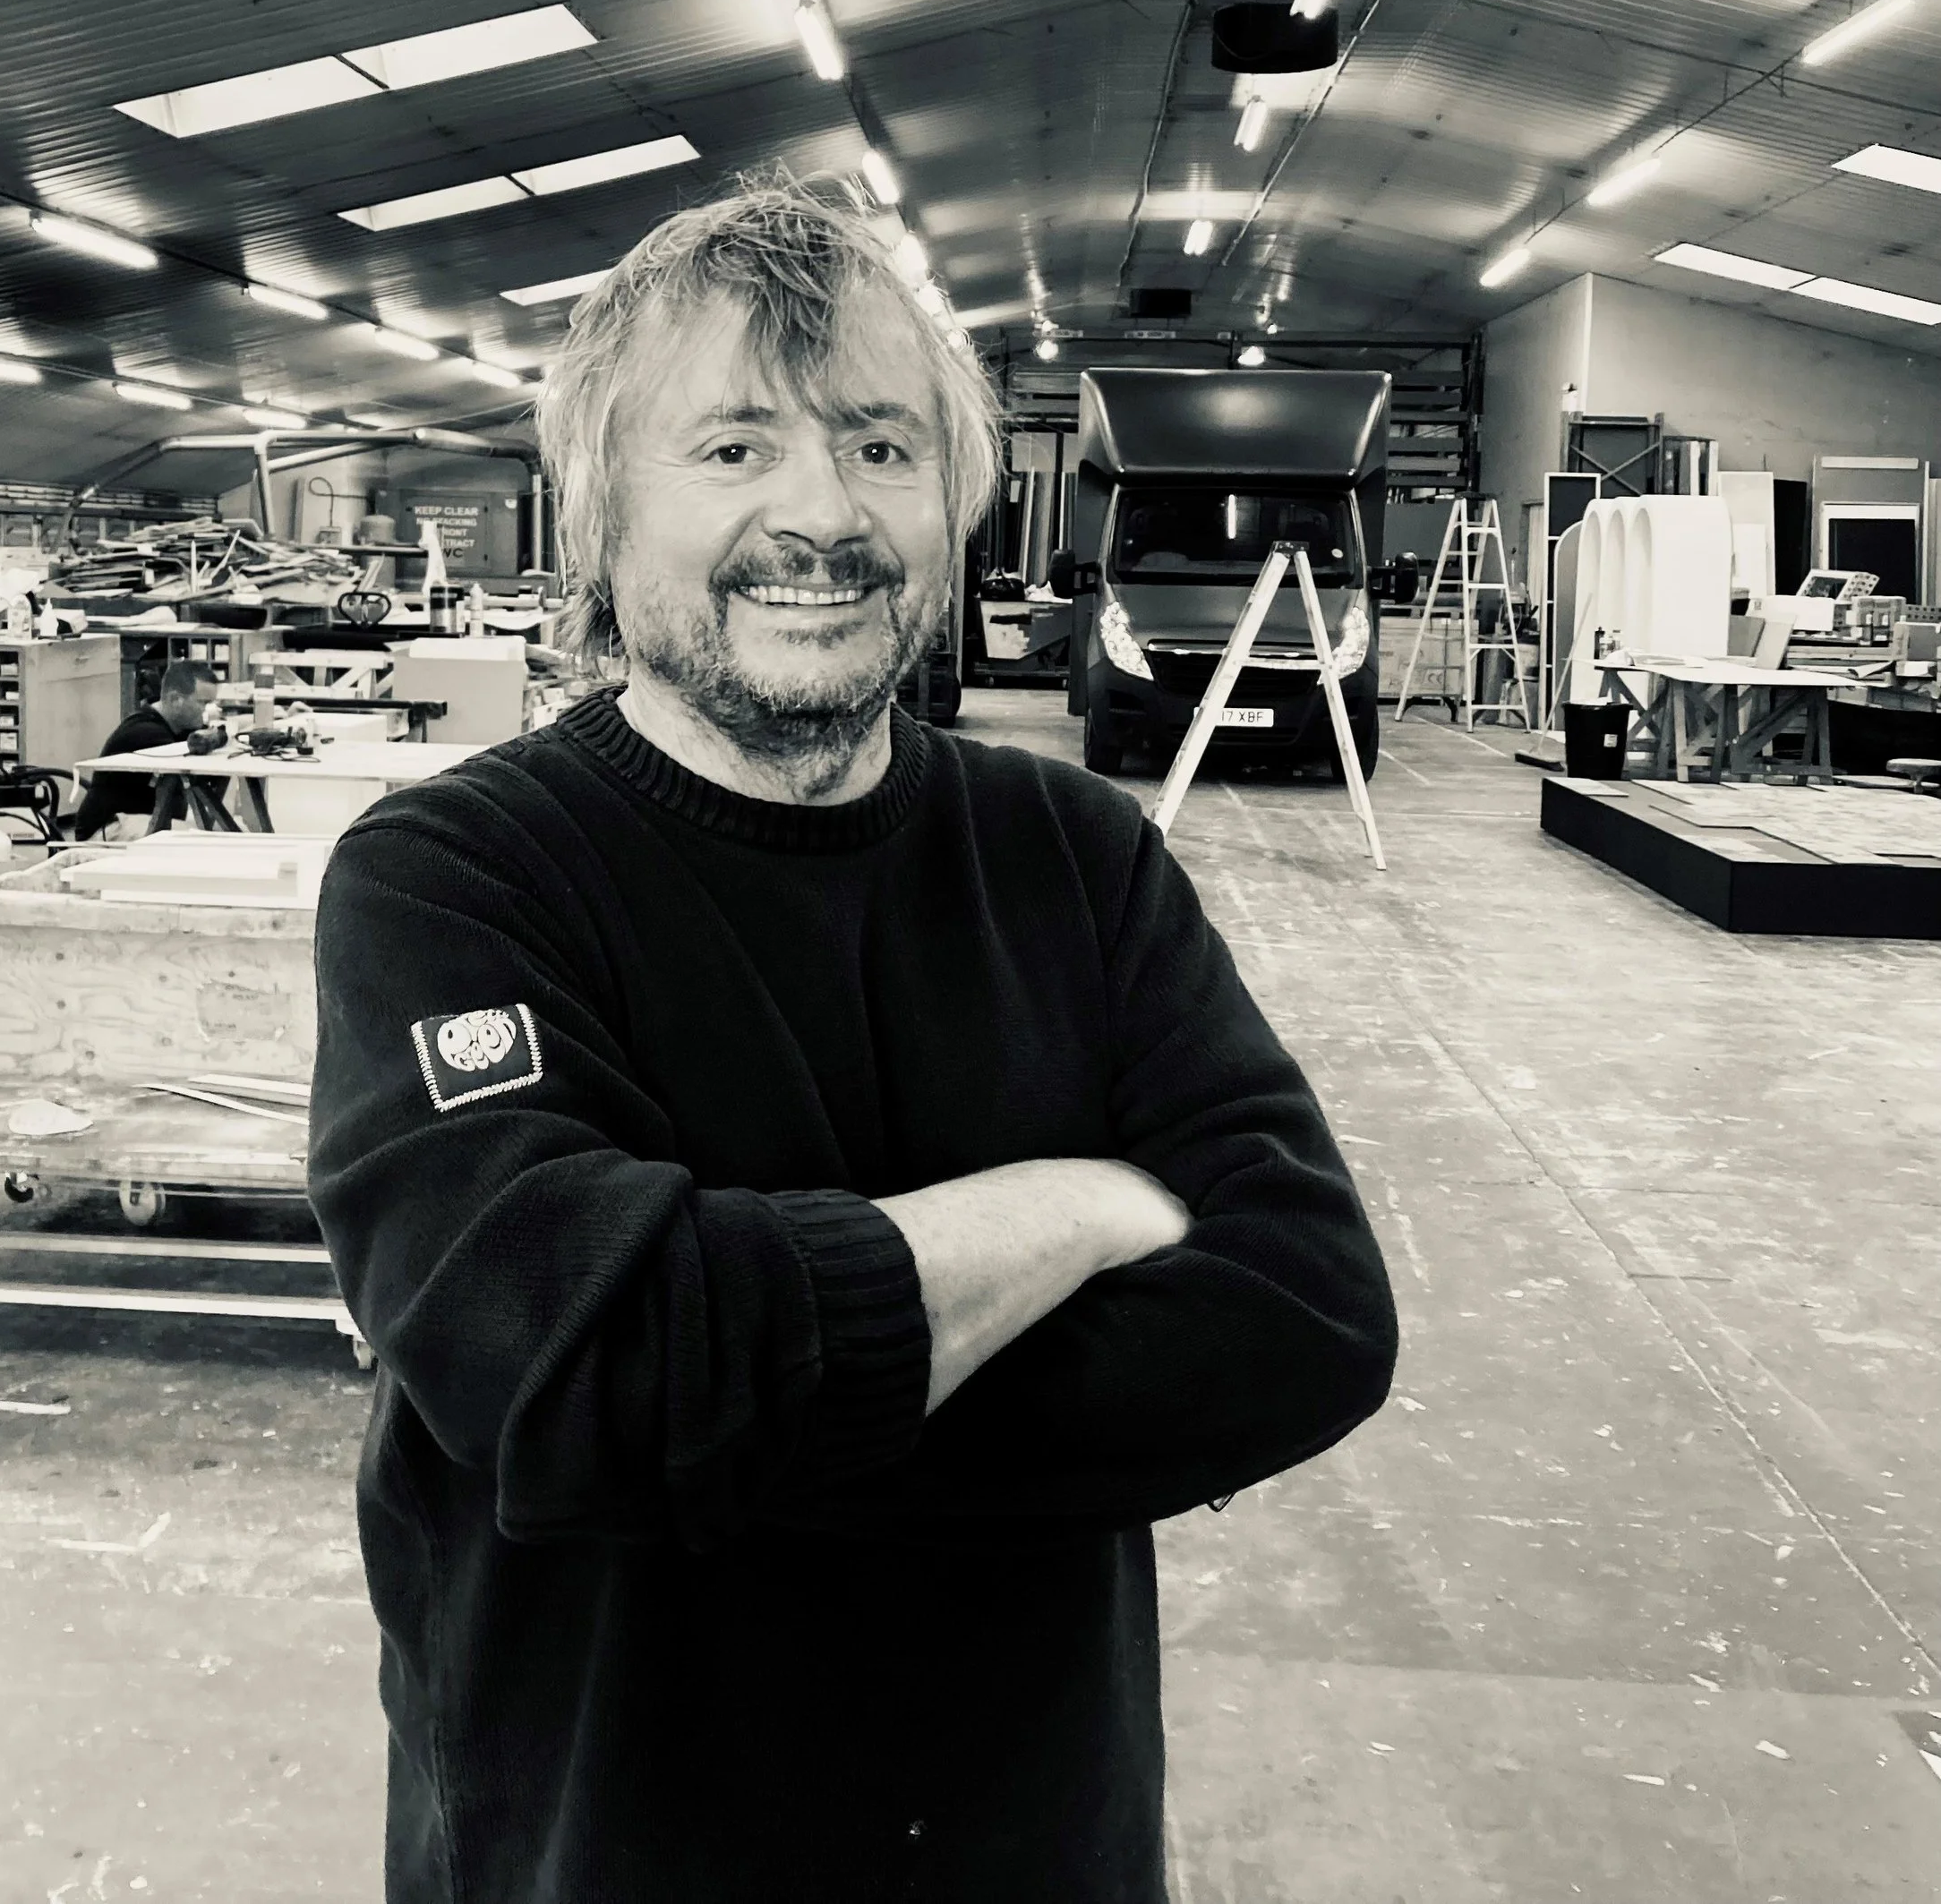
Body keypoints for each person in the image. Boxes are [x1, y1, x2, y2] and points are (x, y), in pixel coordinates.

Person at [308, 179, 1398, 1904]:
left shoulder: (1078, 856)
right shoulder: (453, 880)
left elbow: (1311, 1318)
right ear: (601, 513)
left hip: (1030, 1845)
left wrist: (723, 1419)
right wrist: (1085, 1211)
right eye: (733, 450)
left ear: (957, 499)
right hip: (603, 1846)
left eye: (883, 449)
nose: (823, 514)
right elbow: (574, 1382)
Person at [67, 657, 218, 841]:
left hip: (138, 820)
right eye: (204, 703)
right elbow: (203, 771)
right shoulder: (146, 734)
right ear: (175, 699)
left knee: (228, 831)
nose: (210, 711)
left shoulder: (172, 727)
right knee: (208, 839)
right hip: (109, 827)